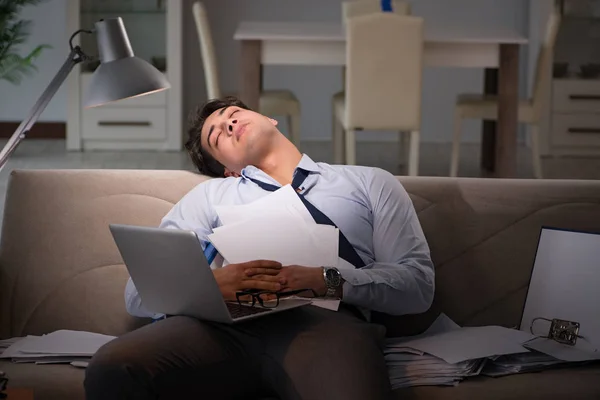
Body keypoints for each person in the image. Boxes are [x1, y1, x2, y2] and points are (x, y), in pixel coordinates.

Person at [84, 96, 435, 400]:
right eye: (216, 134)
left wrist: (326, 280)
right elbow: (138, 291)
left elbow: (417, 285)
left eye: (233, 113)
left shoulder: (368, 181)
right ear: (227, 171)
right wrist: (209, 287)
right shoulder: (210, 197)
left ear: (270, 119)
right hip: (220, 327)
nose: (228, 123)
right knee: (112, 366)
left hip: (326, 327)